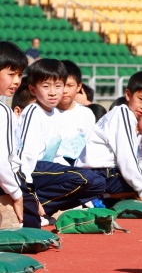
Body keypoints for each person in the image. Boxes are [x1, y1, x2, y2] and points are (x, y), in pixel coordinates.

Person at [17, 58, 106, 227]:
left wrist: (73, 172)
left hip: (47, 171)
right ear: (33, 89)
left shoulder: (55, 114)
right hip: (30, 171)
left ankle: (45, 208)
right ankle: (31, 208)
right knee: (84, 178)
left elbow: (57, 155)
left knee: (98, 183)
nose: (53, 92)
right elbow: (24, 159)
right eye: (46, 86)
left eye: (58, 86)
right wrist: (29, 196)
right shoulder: (33, 112)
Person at [75, 70, 142, 202]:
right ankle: (99, 197)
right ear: (128, 95)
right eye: (141, 99)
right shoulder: (124, 114)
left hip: (92, 173)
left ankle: (103, 196)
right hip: (98, 174)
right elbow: (126, 157)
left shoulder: (119, 114)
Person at [0, 41, 29, 227]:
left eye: (20, 75)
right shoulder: (3, 112)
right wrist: (17, 195)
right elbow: (4, 161)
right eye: (11, 74)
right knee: (30, 219)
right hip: (5, 181)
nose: (17, 81)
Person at [54, 60, 97, 165]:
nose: (64, 90)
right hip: (54, 168)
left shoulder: (86, 114)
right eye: (60, 85)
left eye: (70, 85)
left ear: (79, 87)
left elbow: (90, 147)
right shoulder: (47, 112)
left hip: (80, 168)